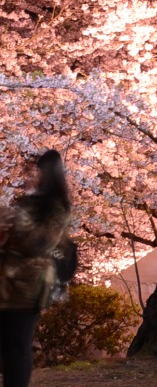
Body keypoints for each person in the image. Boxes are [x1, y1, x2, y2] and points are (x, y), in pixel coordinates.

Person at [0, 151, 72, 387]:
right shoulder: (31, 201)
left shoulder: (56, 206)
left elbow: (39, 243)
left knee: (18, 347)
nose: (34, 176)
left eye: (39, 171)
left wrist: (11, 221)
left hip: (28, 287)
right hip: (7, 281)